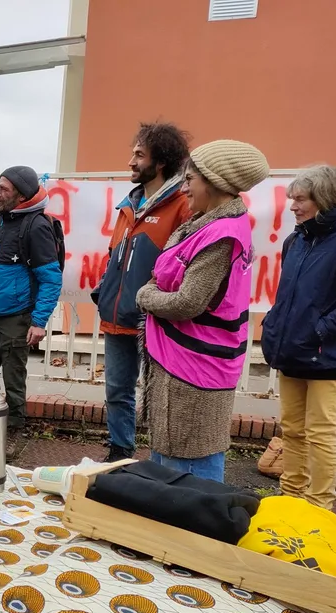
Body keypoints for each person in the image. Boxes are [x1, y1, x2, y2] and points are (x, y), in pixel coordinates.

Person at [136, 139, 270, 482]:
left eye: (190, 179)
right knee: (170, 463)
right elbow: (164, 276)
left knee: (188, 470)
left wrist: (145, 296)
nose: (184, 188)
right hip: (184, 362)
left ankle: (190, 517)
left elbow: (187, 302)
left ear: (214, 182)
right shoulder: (208, 224)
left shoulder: (219, 235)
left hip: (194, 368)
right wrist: (155, 287)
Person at [261, 165, 336, 509]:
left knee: (322, 434)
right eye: (292, 199)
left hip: (330, 356)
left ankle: (318, 507)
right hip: (293, 351)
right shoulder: (298, 238)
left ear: (325, 198)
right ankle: (291, 500)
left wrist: (320, 330)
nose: (293, 206)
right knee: (293, 431)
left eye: (300, 199)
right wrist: (276, 327)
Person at [92, 123, 191, 461]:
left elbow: (185, 264)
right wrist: (104, 288)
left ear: (160, 162)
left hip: (158, 318)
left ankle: (165, 459)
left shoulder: (182, 206)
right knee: (117, 389)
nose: (131, 162)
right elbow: (115, 256)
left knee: (163, 395)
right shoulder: (128, 205)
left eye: (139, 155)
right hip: (118, 314)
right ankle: (120, 453)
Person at [0, 166, 62, 445]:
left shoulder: (37, 226)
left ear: (21, 195)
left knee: (13, 378)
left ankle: (13, 434)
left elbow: (51, 278)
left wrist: (39, 321)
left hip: (17, 317)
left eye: (4, 189)